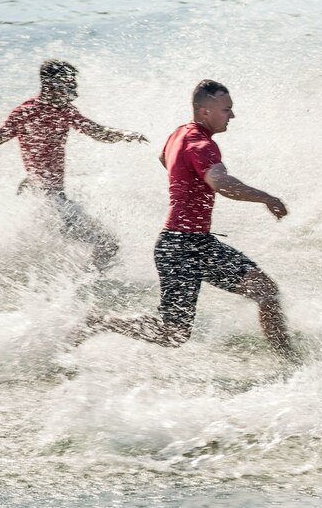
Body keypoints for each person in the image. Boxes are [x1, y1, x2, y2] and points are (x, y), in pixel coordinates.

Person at [88, 80, 293, 358]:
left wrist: (186, 185)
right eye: (226, 109)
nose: (232, 115)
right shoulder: (201, 143)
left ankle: (289, 358)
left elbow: (164, 158)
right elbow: (220, 183)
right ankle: (100, 322)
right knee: (173, 333)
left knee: (265, 291)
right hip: (180, 249)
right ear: (205, 111)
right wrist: (266, 198)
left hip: (195, 244)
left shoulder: (179, 133)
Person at [0, 60, 147, 269]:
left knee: (84, 243)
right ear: (50, 84)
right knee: (108, 244)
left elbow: (97, 132)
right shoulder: (27, 112)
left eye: (74, 83)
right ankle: (86, 288)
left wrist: (125, 135)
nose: (73, 89)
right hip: (47, 199)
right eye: (68, 83)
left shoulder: (65, 111)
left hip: (45, 193)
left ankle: (57, 283)